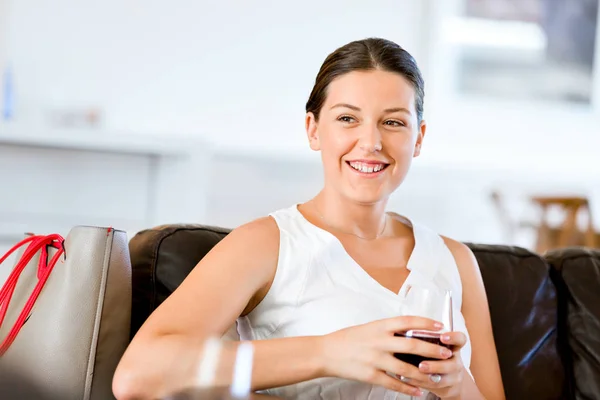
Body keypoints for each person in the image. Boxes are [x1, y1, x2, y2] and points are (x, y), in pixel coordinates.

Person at [113, 37, 506, 400]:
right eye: (348, 119)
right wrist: (328, 351)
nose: (370, 142)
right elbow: (138, 375)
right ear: (313, 129)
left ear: (418, 138)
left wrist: (457, 386)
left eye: (393, 122)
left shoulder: (455, 261)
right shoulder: (266, 244)